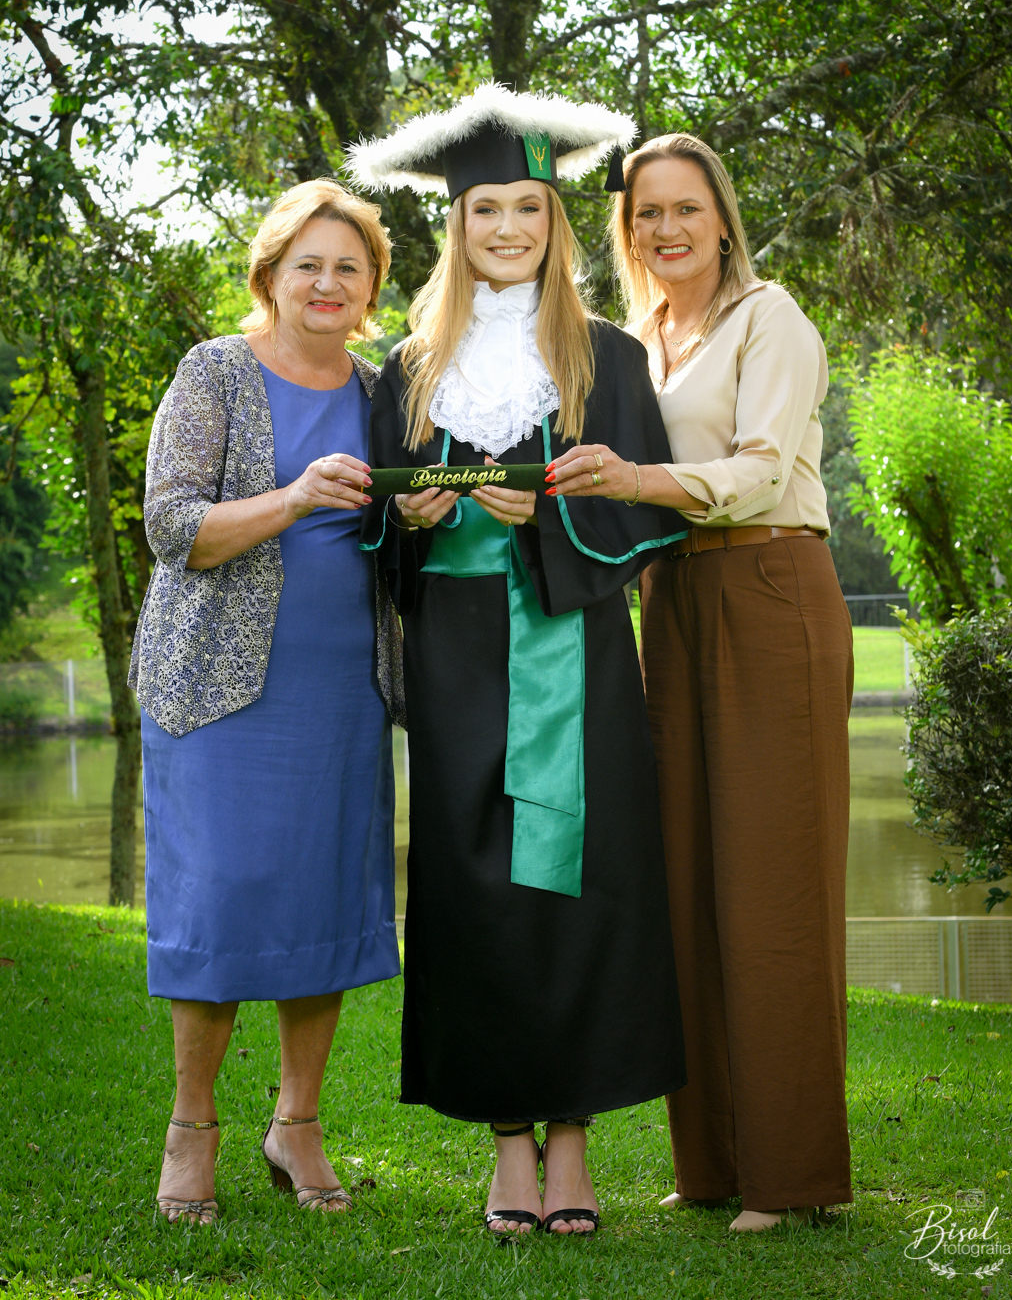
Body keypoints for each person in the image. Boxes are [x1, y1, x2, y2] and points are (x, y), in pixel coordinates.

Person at [348, 85, 687, 1239]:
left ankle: (574, 1142)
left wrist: (547, 514)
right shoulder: (408, 368)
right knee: (475, 884)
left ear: (554, 221)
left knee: (578, 879)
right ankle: (507, 1144)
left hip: (573, 643)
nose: (506, 227)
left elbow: (647, 520)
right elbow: (377, 526)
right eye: (484, 208)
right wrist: (416, 519)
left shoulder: (610, 358)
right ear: (457, 223)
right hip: (454, 656)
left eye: (527, 208)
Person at [548, 134, 854, 1230]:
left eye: (685, 208)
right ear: (627, 232)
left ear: (722, 217)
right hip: (673, 600)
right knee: (687, 882)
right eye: (646, 214)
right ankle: (713, 1162)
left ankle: (791, 1175)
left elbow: (763, 468)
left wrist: (636, 476)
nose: (666, 228)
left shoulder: (772, 318)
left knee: (774, 885)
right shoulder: (637, 343)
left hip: (771, 586)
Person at [130, 178, 405, 1224]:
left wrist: (419, 512)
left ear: (372, 287)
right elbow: (172, 527)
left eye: (349, 268)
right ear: (271, 276)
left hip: (343, 687)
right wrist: (292, 498)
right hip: (214, 686)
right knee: (221, 895)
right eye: (309, 265)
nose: (328, 284)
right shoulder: (215, 371)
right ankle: (192, 1125)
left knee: (320, 896)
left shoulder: (384, 390)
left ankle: (298, 1124)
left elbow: (398, 529)